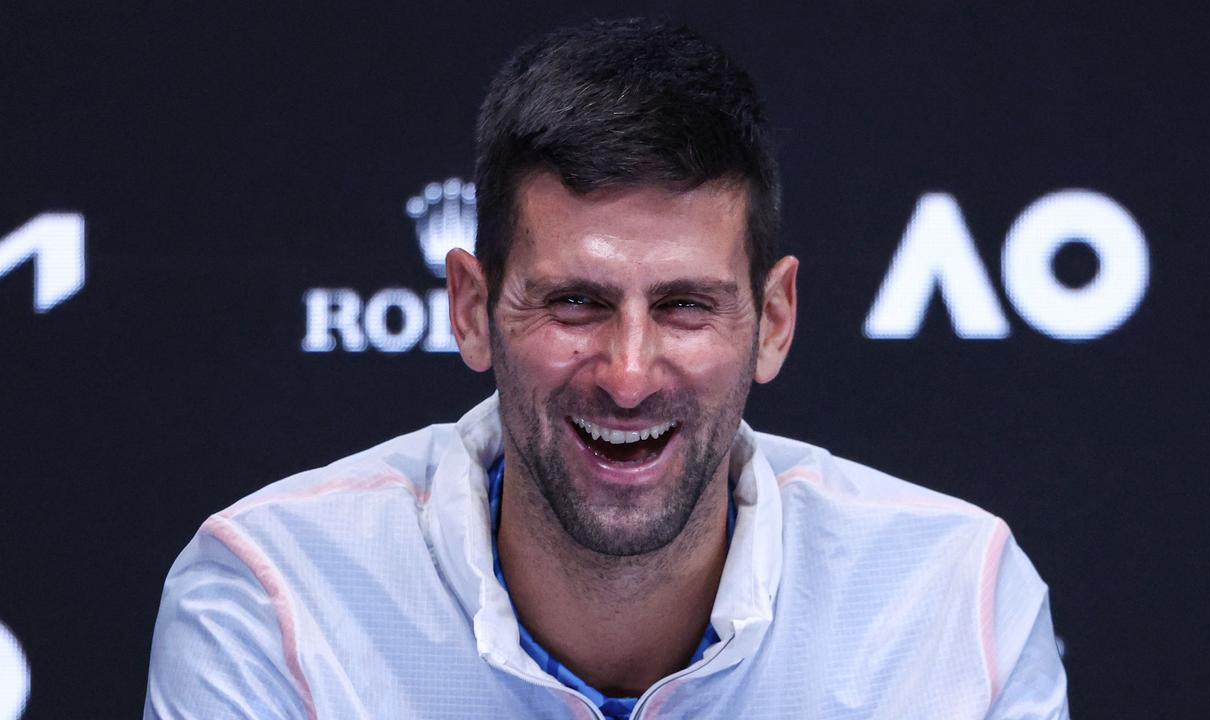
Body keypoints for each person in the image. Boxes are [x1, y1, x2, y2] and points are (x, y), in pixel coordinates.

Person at [144, 18, 1068, 719]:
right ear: (472, 311)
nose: (628, 376)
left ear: (774, 321)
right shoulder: (274, 597)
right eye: (576, 303)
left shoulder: (954, 603)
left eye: (684, 306)